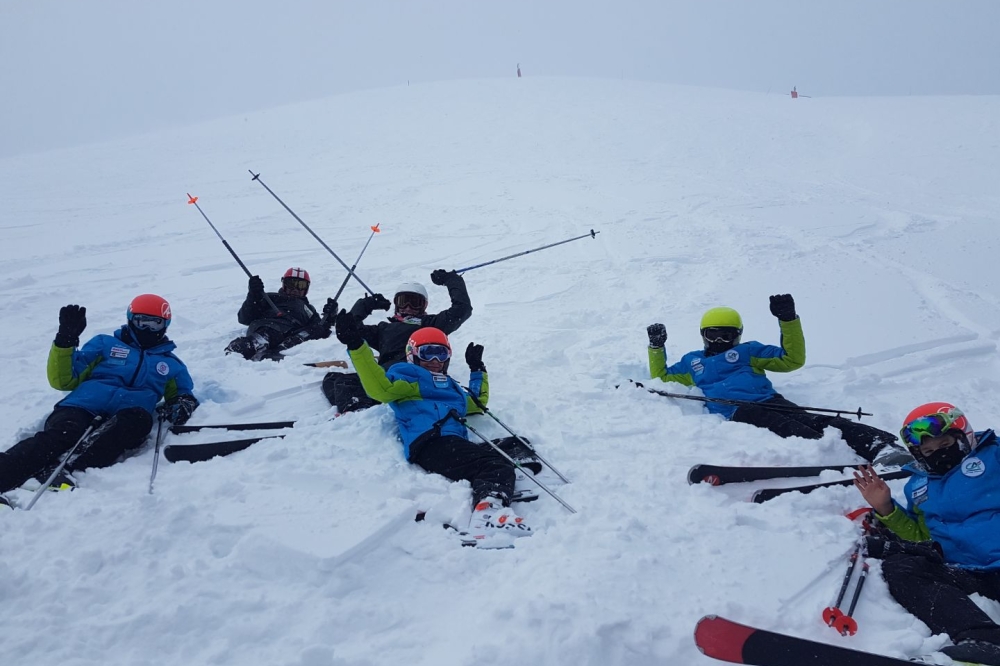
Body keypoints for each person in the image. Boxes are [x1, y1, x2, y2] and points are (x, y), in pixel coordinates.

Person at [334, 312, 530, 543]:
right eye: (428, 353)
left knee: (516, 443)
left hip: (452, 443)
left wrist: (477, 369)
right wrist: (356, 346)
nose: (435, 361)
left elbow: (477, 404)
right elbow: (380, 389)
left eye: (441, 353)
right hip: (431, 443)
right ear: (413, 355)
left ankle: (508, 475)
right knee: (494, 465)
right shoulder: (408, 381)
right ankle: (489, 513)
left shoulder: (451, 388)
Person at [646, 294, 902, 463]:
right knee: (781, 424)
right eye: (713, 335)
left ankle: (882, 446)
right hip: (737, 410)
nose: (719, 341)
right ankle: (833, 456)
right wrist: (656, 348)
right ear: (703, 334)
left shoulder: (749, 351)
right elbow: (663, 377)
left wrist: (788, 321)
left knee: (815, 419)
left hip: (770, 399)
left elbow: (792, 360)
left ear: (738, 335)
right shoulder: (693, 361)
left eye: (727, 335)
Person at [0, 295, 198, 503]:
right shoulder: (105, 344)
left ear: (165, 324)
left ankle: (68, 468)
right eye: (142, 321)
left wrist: (183, 404)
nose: (148, 329)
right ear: (131, 319)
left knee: (137, 421)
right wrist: (65, 342)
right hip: (82, 406)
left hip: (128, 414)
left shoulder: (171, 364)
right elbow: (64, 380)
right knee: (65, 432)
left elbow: (183, 394)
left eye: (155, 323)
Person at [853, 403, 1000, 666]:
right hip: (966, 572)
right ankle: (984, 641)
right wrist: (885, 507)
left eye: (944, 445)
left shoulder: (994, 456)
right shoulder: (918, 485)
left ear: (963, 437)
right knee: (902, 568)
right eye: (928, 451)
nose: (937, 455)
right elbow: (922, 536)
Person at [322, 269, 473, 414]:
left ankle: (360, 409)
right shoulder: (384, 329)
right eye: (403, 302)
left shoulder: (430, 324)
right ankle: (361, 406)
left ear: (424, 305)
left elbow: (462, 309)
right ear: (396, 304)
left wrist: (452, 280)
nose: (408, 307)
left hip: (413, 377)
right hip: (385, 377)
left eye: (415, 302)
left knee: (346, 385)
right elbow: (351, 330)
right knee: (334, 379)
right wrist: (366, 304)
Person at [225, 267, 337, 361]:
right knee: (271, 332)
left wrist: (330, 317)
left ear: (306, 288)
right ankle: (245, 347)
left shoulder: (309, 310)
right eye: (291, 284)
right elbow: (244, 319)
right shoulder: (270, 297)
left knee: (315, 330)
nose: (295, 289)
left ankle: (282, 350)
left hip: (293, 334)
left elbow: (320, 329)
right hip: (270, 327)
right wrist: (253, 296)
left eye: (301, 285)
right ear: (284, 284)